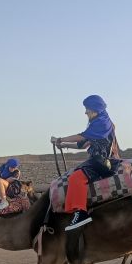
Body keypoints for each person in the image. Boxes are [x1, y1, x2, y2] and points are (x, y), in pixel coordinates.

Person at [51, 95, 120, 231]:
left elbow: (82, 136)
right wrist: (64, 145)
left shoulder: (102, 122)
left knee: (76, 178)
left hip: (102, 162)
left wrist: (60, 139)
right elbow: (83, 144)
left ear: (95, 109)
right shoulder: (98, 124)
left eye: (87, 109)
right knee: (71, 176)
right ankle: (73, 213)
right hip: (96, 161)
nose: (86, 112)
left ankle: (81, 214)